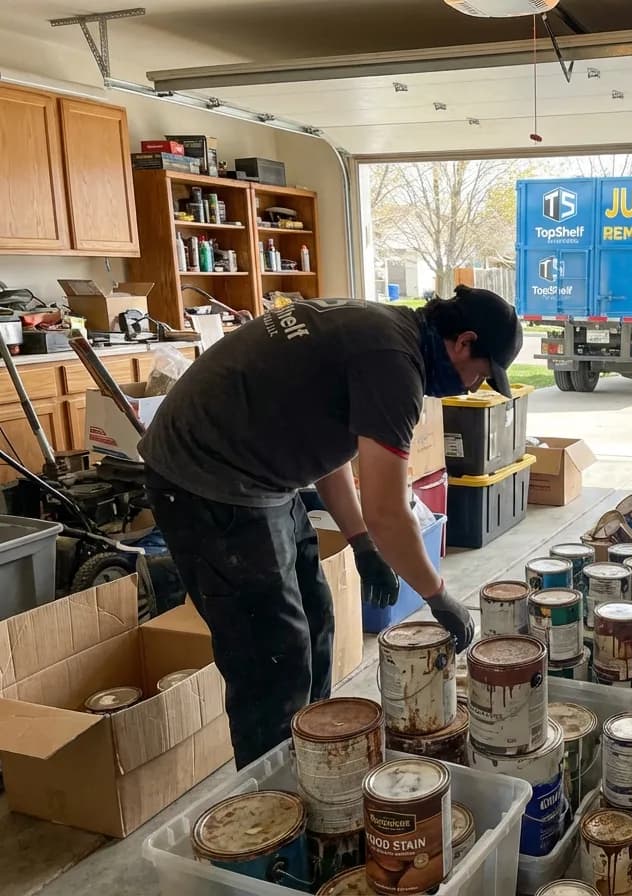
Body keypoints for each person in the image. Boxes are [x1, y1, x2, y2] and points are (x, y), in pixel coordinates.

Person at [141, 286, 522, 768]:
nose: (472, 387)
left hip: (258, 474)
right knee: (272, 660)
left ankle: (315, 758)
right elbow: (389, 510)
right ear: (464, 342)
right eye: (481, 376)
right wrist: (437, 594)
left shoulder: (385, 332)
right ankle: (275, 807)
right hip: (207, 479)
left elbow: (325, 441)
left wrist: (361, 541)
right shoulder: (394, 362)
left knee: (316, 616)